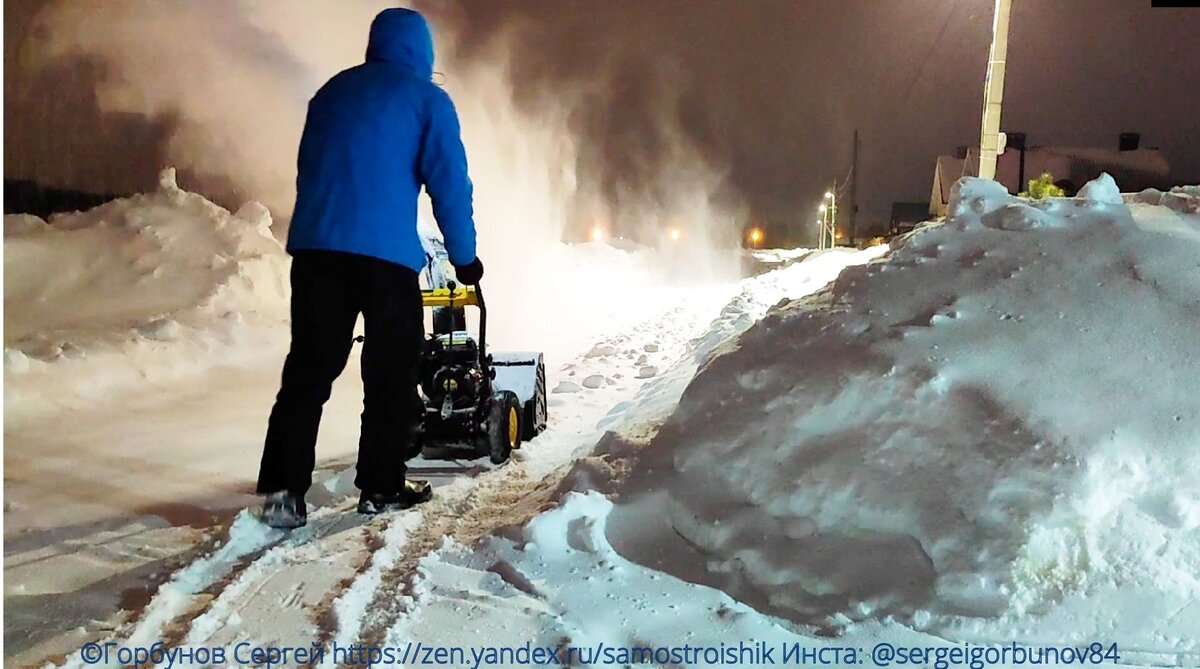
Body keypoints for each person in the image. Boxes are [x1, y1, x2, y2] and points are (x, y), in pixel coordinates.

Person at [256, 8, 482, 529]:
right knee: (390, 372)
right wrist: (465, 258)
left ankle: (284, 493)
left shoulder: (332, 93)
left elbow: (311, 167)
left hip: (317, 253)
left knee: (309, 370)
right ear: (423, 54)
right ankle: (381, 485)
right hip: (385, 261)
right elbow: (450, 186)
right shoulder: (428, 101)